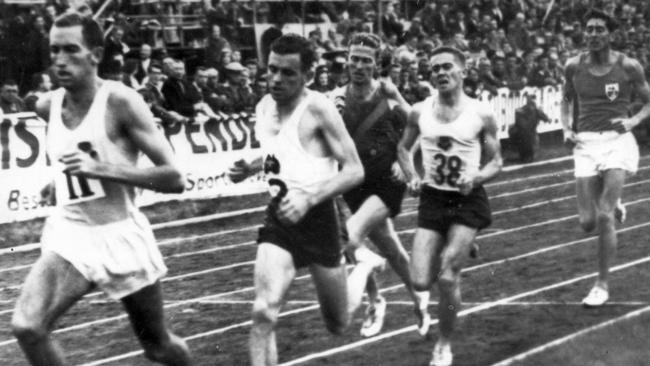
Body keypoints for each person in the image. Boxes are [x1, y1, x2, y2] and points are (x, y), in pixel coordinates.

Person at [10, 12, 192, 366]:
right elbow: (72, 157)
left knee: (157, 345)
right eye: (54, 50)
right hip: (72, 235)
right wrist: (59, 183)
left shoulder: (121, 102)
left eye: (71, 50)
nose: (60, 60)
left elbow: (174, 178)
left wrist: (103, 169)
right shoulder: (48, 105)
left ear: (95, 54)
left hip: (120, 236)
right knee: (27, 327)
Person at [227, 34, 364, 366]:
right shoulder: (263, 106)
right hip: (280, 217)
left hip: (319, 220)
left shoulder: (318, 108)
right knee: (263, 311)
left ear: (308, 75)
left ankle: (365, 268)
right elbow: (280, 155)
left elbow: (354, 170)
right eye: (272, 70)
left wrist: (309, 198)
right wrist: (251, 167)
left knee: (338, 323)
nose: (276, 79)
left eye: (288, 73)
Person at [397, 46, 502, 366]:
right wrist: (412, 176)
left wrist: (478, 177)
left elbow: (496, 160)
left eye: (446, 67)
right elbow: (402, 149)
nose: (440, 73)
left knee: (447, 278)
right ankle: (462, 241)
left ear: (462, 72)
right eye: (434, 69)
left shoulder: (480, 114)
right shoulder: (418, 111)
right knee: (418, 281)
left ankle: (443, 344)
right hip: (433, 197)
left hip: (467, 199)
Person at [329, 32, 430, 338]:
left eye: (366, 61)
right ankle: (420, 301)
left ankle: (375, 301)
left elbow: (420, 128)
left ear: (377, 65)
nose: (359, 66)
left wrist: (406, 163)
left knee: (352, 237)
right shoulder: (336, 98)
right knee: (392, 249)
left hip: (387, 182)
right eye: (354, 59)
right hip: (353, 183)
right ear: (347, 59)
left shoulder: (387, 96)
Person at [561, 9, 650, 307]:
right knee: (587, 222)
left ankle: (601, 284)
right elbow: (566, 99)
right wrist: (565, 127)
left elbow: (648, 102)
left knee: (604, 215)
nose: (594, 34)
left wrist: (632, 121)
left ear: (610, 34)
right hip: (586, 144)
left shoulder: (628, 66)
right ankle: (613, 202)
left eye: (600, 29)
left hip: (616, 142)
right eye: (589, 29)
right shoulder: (573, 66)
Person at [510, 93, 550, 163]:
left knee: (524, 138)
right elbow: (546, 118)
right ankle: (528, 156)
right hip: (528, 134)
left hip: (523, 134)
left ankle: (525, 156)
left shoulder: (521, 110)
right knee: (530, 139)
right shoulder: (534, 110)